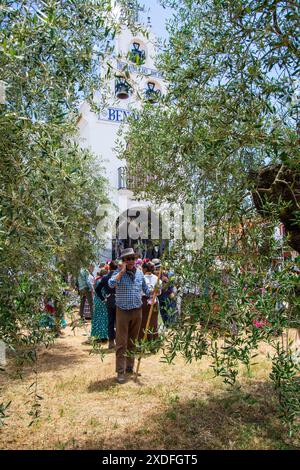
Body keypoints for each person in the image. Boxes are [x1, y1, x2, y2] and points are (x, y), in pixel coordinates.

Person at [108, 248, 150, 384]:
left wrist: (155, 290)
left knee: (133, 341)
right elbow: (111, 284)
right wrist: (121, 272)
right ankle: (120, 372)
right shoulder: (118, 273)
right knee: (121, 343)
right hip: (122, 312)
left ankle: (130, 367)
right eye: (128, 259)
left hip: (137, 311)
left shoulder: (139, 274)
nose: (131, 261)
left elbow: (146, 290)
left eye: (133, 258)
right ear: (124, 261)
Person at [95, 261, 118, 349]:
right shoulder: (118, 276)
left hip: (109, 300)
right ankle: (118, 341)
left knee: (110, 321)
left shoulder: (104, 278)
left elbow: (97, 289)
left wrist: (103, 298)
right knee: (119, 321)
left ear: (109, 268)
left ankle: (111, 342)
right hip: (118, 300)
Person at [139, 261, 161, 343]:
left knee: (144, 322)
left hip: (145, 301)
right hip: (150, 301)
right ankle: (151, 342)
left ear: (144, 269)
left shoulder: (142, 278)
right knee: (153, 322)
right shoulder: (157, 279)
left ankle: (145, 342)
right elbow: (159, 292)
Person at [91, 269, 109, 342]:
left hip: (97, 301)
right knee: (103, 318)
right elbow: (104, 292)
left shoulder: (97, 280)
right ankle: (103, 336)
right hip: (103, 301)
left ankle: (99, 336)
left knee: (98, 318)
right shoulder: (104, 281)